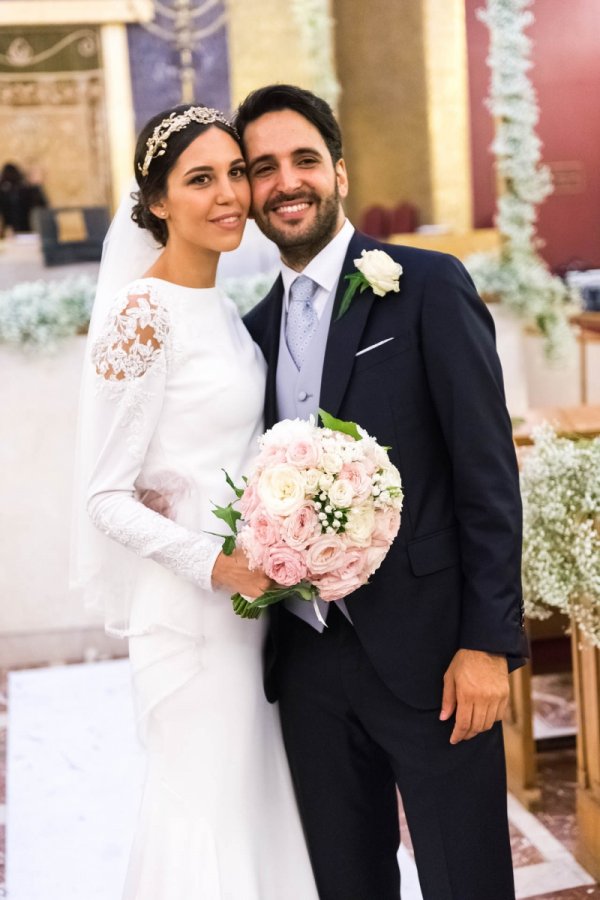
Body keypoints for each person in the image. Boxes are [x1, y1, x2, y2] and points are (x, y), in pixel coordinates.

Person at [235, 84, 529, 900]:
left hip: (436, 658)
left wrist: (490, 642)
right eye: (264, 168)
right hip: (306, 669)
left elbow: (486, 476)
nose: (286, 182)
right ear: (251, 194)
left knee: (466, 881)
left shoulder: (427, 287)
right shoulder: (250, 334)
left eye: (303, 160)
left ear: (339, 171)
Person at [71, 103, 318, 900]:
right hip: (191, 616)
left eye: (236, 173)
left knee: (252, 800)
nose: (230, 196)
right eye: (200, 179)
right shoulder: (141, 316)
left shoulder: (219, 307)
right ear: (155, 204)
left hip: (251, 608)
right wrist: (222, 568)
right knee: (203, 808)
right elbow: (105, 496)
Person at [0, 162, 47, 236]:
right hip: (26, 231)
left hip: (11, 231)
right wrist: (36, 187)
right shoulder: (25, 189)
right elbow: (42, 205)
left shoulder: (5, 191)